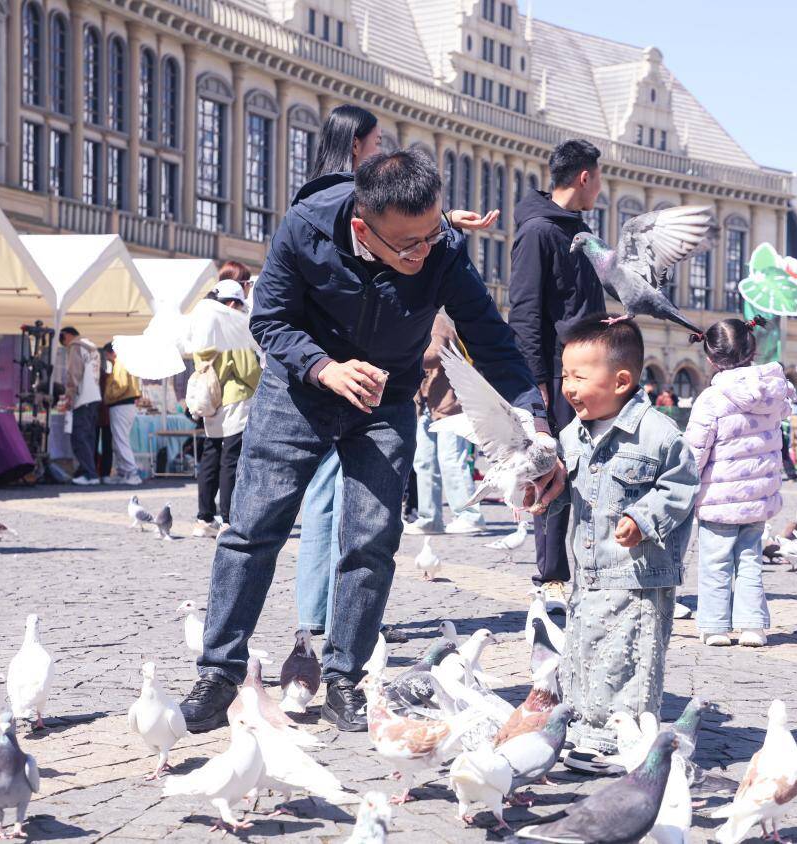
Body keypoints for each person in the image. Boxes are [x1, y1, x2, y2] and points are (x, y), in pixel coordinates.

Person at [179, 150, 560, 735]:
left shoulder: (443, 248)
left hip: (386, 398)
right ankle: (220, 673)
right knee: (252, 531)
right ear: (363, 228)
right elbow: (271, 320)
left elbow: (492, 339)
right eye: (409, 245)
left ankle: (344, 679)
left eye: (433, 234)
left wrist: (533, 420)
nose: (425, 253)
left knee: (372, 540)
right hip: (299, 390)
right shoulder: (305, 228)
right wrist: (323, 367)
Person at [291, 104, 496, 642]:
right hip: (340, 379)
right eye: (377, 143)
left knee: (337, 505)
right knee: (340, 505)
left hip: (341, 379)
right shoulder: (329, 210)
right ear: (356, 147)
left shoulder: (317, 202)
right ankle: (331, 620)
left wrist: (446, 225)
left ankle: (328, 620)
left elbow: (394, 235)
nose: (384, 152)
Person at [548, 316, 696, 769]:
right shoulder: (571, 434)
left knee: (629, 654)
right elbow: (565, 492)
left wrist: (642, 516)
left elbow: (681, 487)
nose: (568, 387)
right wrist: (541, 496)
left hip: (637, 573)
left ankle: (622, 740)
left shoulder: (659, 434)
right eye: (565, 375)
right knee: (585, 648)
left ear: (622, 381)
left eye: (579, 376)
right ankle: (585, 728)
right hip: (589, 569)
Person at [509, 138, 606, 611]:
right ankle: (550, 576)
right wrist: (537, 384)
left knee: (595, 468)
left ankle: (592, 568)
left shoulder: (578, 230)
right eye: (599, 179)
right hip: (557, 372)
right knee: (554, 470)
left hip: (592, 366)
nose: (601, 189)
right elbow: (525, 311)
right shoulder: (538, 232)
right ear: (585, 177)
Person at [685, 317, 792, 648]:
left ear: (710, 358)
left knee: (715, 561)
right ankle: (752, 627)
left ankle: (716, 626)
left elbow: (695, 449)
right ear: (753, 349)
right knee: (750, 560)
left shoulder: (712, 398)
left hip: (719, 497)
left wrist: (684, 481)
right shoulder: (773, 393)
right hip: (758, 496)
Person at [404, 312, 485, 535]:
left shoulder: (437, 320)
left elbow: (436, 353)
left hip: (450, 404)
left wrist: (402, 356)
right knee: (423, 461)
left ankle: (469, 515)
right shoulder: (419, 320)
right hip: (428, 405)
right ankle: (429, 518)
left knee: (451, 460)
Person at [192, 277, 261, 537]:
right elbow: (247, 370)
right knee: (231, 460)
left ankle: (204, 517)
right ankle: (228, 519)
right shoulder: (230, 325)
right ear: (232, 303)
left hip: (211, 398)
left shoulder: (203, 321)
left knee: (210, 457)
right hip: (236, 398)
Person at [59, 326, 102, 486]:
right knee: (89, 438)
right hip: (94, 397)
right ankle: (87, 472)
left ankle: (90, 474)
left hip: (82, 399)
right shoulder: (92, 347)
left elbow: (74, 374)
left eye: (63, 341)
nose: (65, 345)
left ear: (67, 335)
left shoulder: (76, 347)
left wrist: (69, 397)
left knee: (79, 438)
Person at [101, 342, 142, 485]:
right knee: (119, 440)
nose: (107, 358)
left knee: (120, 440)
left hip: (121, 405)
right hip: (124, 405)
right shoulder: (124, 362)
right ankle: (123, 472)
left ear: (111, 352)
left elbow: (121, 385)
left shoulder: (120, 363)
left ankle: (131, 472)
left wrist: (109, 396)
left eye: (107, 355)